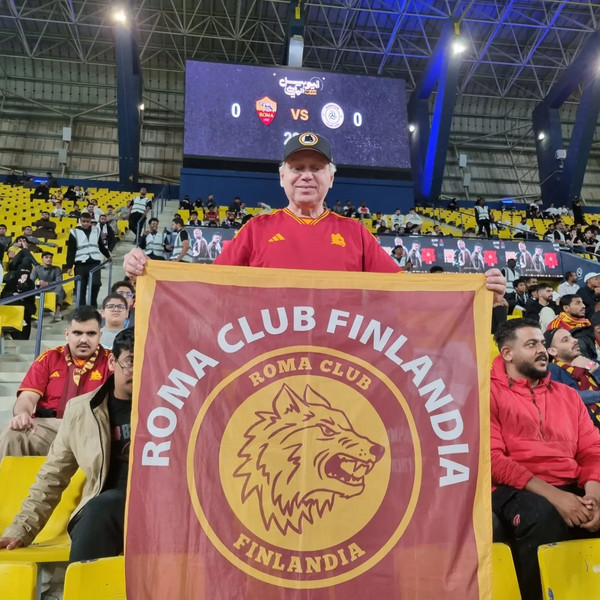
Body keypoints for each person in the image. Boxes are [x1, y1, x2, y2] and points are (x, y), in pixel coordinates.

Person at [123, 132, 505, 298]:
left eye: (316, 168)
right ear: (282, 177)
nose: (306, 175)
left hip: (341, 362)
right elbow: (208, 288)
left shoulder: (355, 233)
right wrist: (148, 272)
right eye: (297, 167)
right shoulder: (255, 230)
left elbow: (404, 292)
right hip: (266, 361)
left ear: (331, 178)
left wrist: (472, 288)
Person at [0, 328, 134, 562]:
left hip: (159, 504)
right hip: (106, 506)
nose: (141, 371)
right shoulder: (82, 410)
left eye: (149, 363)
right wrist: (22, 529)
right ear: (112, 362)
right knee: (100, 511)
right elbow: (53, 475)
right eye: (131, 362)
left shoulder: (173, 408)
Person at [491, 319, 600, 600]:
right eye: (532, 344)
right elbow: (493, 460)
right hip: (515, 488)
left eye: (542, 343)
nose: (542, 350)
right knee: (543, 516)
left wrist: (593, 496)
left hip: (572, 483)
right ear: (507, 353)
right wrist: (557, 498)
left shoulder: (569, 396)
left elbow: (592, 450)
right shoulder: (487, 393)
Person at [0, 306, 111, 459]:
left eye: (91, 333)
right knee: (12, 435)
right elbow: (27, 397)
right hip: (50, 427)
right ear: (67, 334)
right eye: (77, 333)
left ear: (100, 335)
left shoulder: (111, 361)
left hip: (92, 429)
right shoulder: (49, 358)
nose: (84, 340)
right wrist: (22, 414)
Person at [544, 327, 600, 430]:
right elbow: (570, 397)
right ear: (552, 351)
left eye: (572, 337)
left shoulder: (591, 363)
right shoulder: (551, 370)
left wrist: (595, 369)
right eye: (566, 340)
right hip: (585, 429)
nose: (575, 340)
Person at [66, 213, 111, 308]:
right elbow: (71, 250)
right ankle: (81, 308)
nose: (85, 223)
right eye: (83, 221)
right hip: (80, 264)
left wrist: (108, 255)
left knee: (96, 284)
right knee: (80, 287)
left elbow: (100, 245)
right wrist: (69, 266)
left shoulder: (96, 230)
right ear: (80, 221)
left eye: (87, 221)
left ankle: (92, 304)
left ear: (90, 221)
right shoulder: (74, 232)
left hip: (94, 262)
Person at [31, 251, 65, 321]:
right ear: (42, 259)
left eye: (50, 258)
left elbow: (59, 282)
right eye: (46, 257)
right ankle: (33, 312)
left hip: (54, 288)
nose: (49, 259)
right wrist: (37, 283)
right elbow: (31, 280)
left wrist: (47, 284)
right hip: (41, 288)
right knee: (30, 288)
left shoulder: (57, 269)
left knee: (59, 287)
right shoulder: (37, 268)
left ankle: (57, 312)